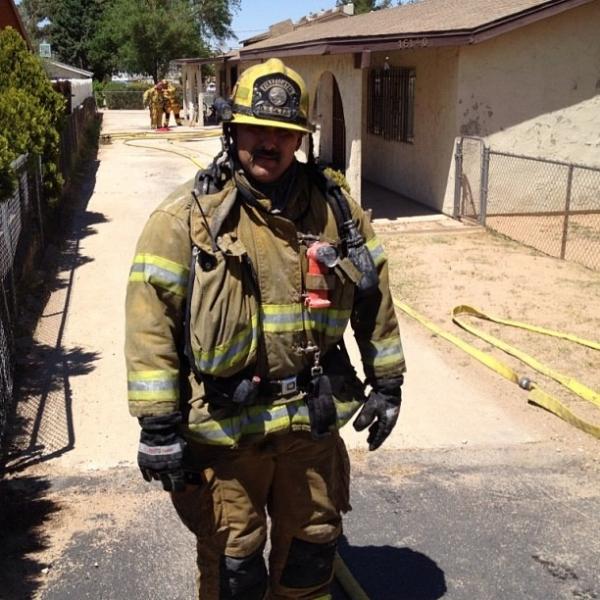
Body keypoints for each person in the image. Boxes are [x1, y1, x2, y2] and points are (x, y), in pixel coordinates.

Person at [125, 58, 406, 599]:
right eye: (256, 128)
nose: (269, 142)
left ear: (300, 138)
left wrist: (388, 381)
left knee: (312, 553)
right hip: (225, 432)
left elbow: (374, 294)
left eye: (284, 132)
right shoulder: (186, 218)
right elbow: (150, 321)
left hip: (310, 425)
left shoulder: (336, 210)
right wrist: (158, 424)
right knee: (237, 570)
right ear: (232, 131)